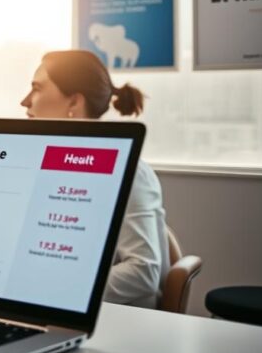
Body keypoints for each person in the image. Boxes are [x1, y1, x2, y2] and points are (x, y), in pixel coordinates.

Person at [20, 49, 169, 309]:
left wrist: (57, 291)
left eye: (37, 88)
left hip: (117, 319)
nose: (25, 101)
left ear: (74, 103)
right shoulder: (42, 166)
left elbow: (144, 273)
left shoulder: (130, 171)